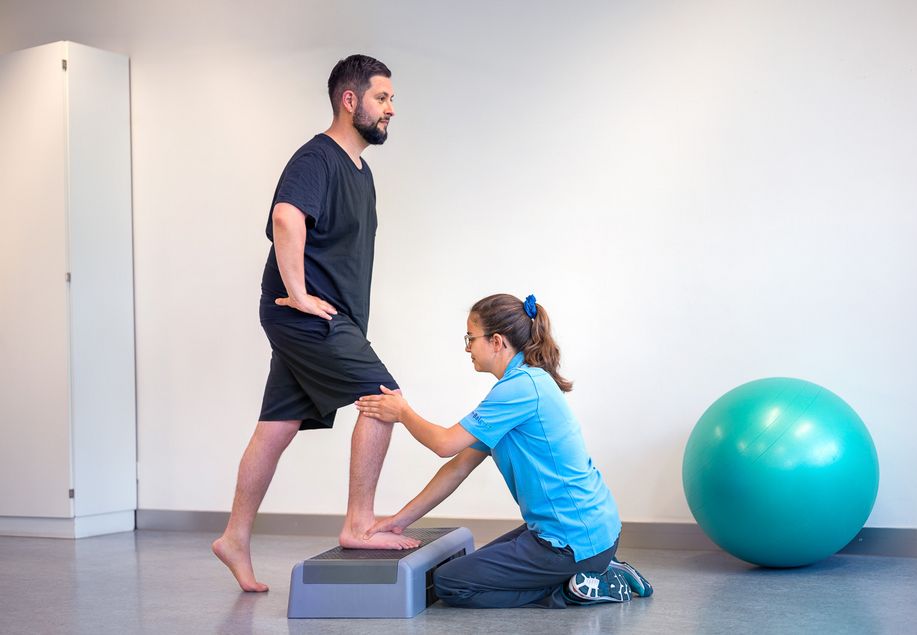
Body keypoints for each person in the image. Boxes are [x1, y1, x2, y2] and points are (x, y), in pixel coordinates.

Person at [213, 54, 419, 594]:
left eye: (392, 99)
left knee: (278, 424)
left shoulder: (360, 172)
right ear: (349, 100)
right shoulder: (316, 158)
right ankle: (358, 523)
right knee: (383, 396)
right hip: (305, 316)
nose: (391, 109)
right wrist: (299, 293)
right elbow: (286, 216)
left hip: (328, 316)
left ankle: (233, 537)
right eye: (382, 98)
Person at [355, 293, 653, 608]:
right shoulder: (523, 383)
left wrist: (402, 412)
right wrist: (400, 520)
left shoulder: (520, 388)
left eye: (471, 338)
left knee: (451, 584)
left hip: (572, 542)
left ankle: (579, 586)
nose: (468, 347)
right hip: (587, 532)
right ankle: (598, 569)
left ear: (496, 341)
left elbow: (443, 445)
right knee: (468, 571)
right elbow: (457, 467)